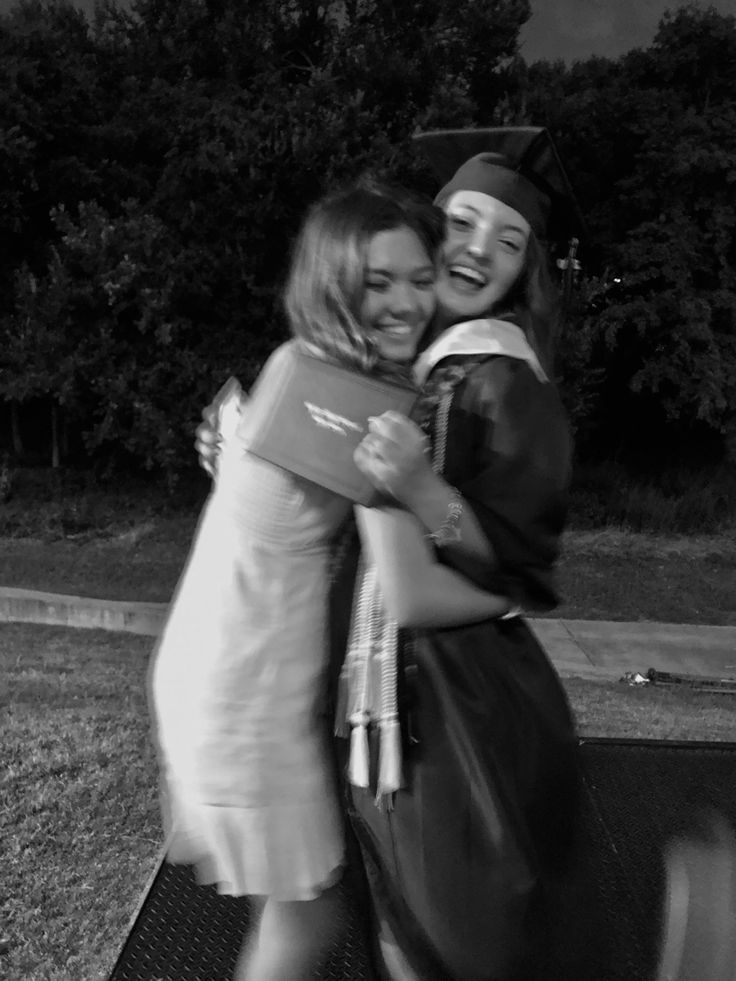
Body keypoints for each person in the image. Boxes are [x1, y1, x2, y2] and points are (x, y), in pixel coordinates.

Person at [149, 182, 514, 981]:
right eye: (377, 282)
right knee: (304, 922)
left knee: (289, 905)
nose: (407, 302)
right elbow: (419, 581)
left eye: (421, 278)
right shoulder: (367, 408)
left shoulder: (295, 359)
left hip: (204, 665)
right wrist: (507, 584)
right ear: (333, 282)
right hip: (247, 699)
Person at [333, 127, 582, 981]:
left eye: (509, 241)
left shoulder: (506, 383)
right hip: (386, 687)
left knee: (465, 930)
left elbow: (514, 566)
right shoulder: (415, 357)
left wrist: (420, 487)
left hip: (460, 702)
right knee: (402, 912)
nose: (481, 250)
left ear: (526, 272)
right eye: (465, 223)